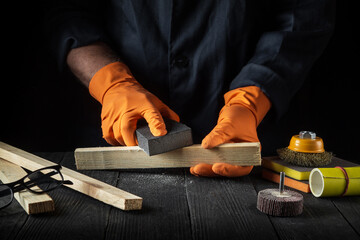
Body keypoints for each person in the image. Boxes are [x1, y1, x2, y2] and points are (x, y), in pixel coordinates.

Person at [45, 0, 335, 177]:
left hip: (253, 140)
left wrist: (249, 100)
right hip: (121, 142)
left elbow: (304, 11)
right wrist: (111, 83)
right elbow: (66, 11)